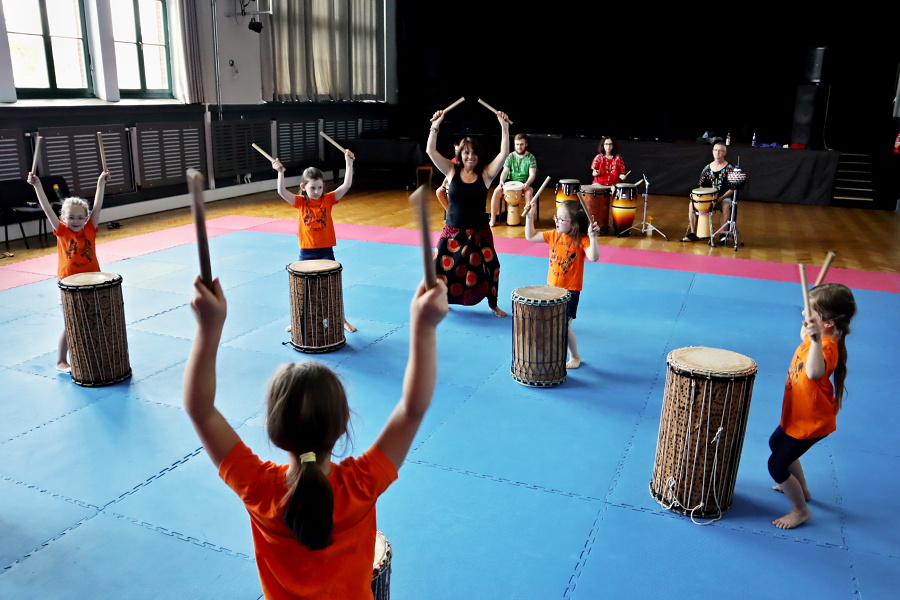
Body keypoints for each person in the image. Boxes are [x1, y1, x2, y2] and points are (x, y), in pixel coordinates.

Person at [183, 274, 448, 599]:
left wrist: (207, 329)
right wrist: (424, 328)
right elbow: (412, 409)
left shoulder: (259, 489)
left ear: (272, 428)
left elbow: (200, 410)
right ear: (343, 425)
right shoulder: (360, 486)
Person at [768, 283, 857, 529]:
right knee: (776, 445)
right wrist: (811, 325)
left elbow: (815, 372)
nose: (805, 316)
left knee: (775, 465)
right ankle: (803, 490)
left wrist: (816, 340)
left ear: (827, 323)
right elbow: (804, 335)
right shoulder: (818, 336)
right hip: (798, 414)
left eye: (812, 314)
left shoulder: (826, 348)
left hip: (812, 421)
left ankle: (800, 510)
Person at [426, 108, 510, 317]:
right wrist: (435, 126)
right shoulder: (451, 171)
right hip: (453, 230)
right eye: (466, 153)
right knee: (438, 267)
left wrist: (504, 127)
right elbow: (430, 151)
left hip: (478, 231)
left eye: (473, 153)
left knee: (492, 267)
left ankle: (493, 304)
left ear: (478, 155)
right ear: (460, 156)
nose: (470, 156)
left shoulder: (486, 175)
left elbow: (504, 154)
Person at [27, 170, 109, 371]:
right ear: (63, 217)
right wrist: (37, 186)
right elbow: (47, 209)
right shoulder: (62, 231)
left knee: (93, 318)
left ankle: (91, 352)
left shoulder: (90, 228)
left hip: (92, 280)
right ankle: (61, 360)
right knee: (71, 321)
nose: (75, 221)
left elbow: (97, 205)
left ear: (86, 218)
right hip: (69, 283)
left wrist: (101, 183)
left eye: (79, 217)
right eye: (70, 217)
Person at [273, 152, 357, 333]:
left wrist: (348, 164)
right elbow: (282, 192)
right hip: (306, 251)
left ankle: (342, 319)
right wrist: (280, 172)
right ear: (303, 187)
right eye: (313, 188)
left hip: (326, 250)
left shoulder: (328, 199)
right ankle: (297, 320)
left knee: (333, 288)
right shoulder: (301, 202)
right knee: (303, 289)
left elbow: (346, 185)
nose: (317, 191)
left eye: (320, 187)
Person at [523, 198, 600, 369]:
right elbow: (531, 236)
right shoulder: (553, 235)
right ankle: (553, 352)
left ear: (573, 224)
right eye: (556, 217)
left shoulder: (582, 240)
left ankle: (575, 356)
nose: (556, 221)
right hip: (552, 288)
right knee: (551, 325)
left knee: (564, 327)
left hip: (570, 291)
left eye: (561, 219)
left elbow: (594, 257)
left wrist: (593, 237)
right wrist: (529, 217)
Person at [682, 142, 736, 243]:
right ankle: (694, 233)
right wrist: (703, 198)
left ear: (725, 153)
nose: (717, 152)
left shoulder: (730, 169)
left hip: (723, 197)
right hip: (708, 198)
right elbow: (701, 186)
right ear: (712, 152)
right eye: (715, 150)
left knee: (725, 205)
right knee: (692, 205)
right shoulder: (707, 169)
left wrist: (720, 198)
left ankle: (722, 235)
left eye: (720, 150)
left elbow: (733, 188)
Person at [488, 133, 537, 227]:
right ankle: (493, 219)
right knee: (496, 192)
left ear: (526, 144)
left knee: (529, 193)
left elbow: (532, 174)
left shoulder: (531, 157)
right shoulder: (510, 156)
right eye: (517, 144)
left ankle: (529, 222)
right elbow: (504, 171)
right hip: (510, 182)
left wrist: (527, 183)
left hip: (524, 183)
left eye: (521, 144)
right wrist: (501, 181)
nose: (519, 147)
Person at [435, 141, 461, 215]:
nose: (457, 152)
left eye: (458, 150)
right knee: (439, 192)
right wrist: (443, 185)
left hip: (460, 185)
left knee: (452, 192)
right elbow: (447, 175)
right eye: (456, 150)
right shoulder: (453, 161)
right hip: (451, 183)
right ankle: (450, 213)